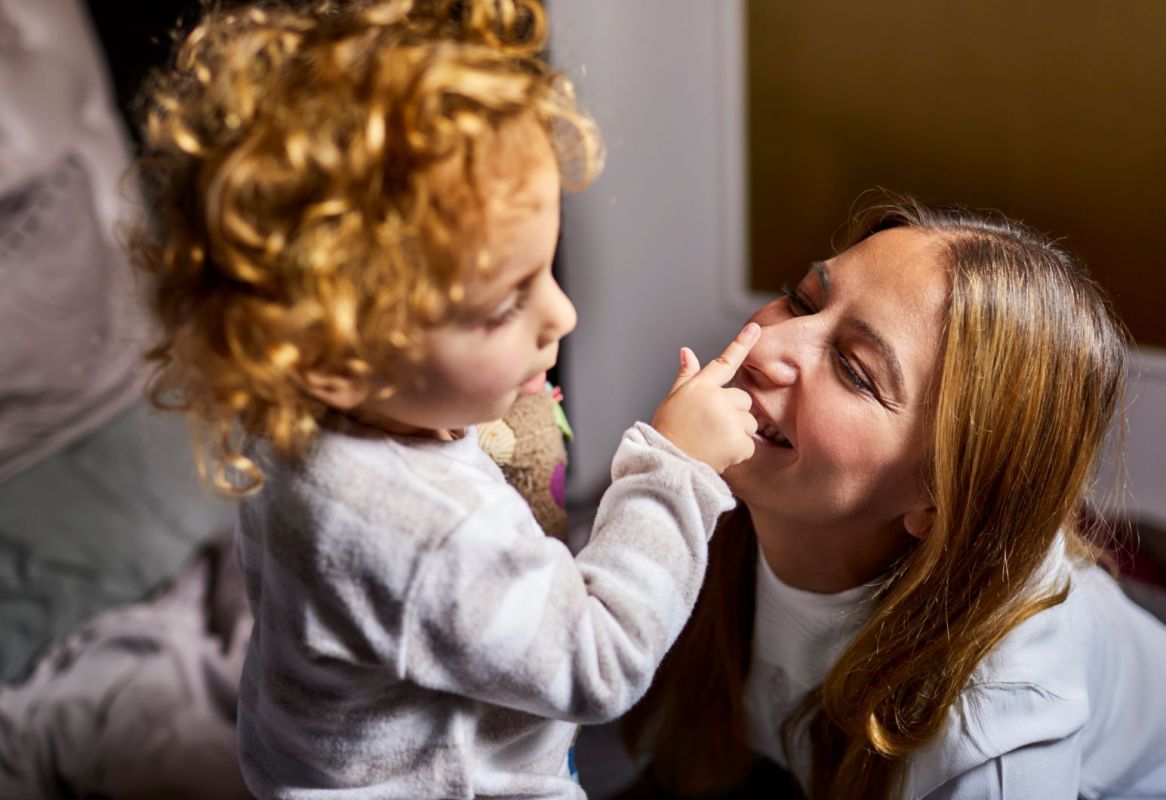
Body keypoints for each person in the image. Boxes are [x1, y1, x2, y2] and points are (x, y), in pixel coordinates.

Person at [129, 1, 762, 797]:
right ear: (338, 354)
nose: (562, 315)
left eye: (545, 271)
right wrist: (674, 471)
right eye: (505, 304)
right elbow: (597, 660)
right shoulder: (432, 529)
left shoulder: (292, 399)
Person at [620, 195, 1166, 799]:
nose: (764, 348)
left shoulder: (998, 727)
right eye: (802, 298)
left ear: (940, 501)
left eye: (854, 369)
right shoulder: (687, 505)